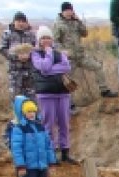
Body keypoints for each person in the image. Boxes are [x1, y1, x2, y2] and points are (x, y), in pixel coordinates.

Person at [55, 3, 117, 100]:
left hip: (81, 55)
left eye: (70, 10)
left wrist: (78, 20)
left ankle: (104, 90)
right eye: (66, 11)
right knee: (66, 80)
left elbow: (85, 33)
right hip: (69, 58)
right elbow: (55, 42)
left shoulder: (75, 22)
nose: (68, 12)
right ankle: (69, 103)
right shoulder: (58, 24)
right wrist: (63, 51)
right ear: (62, 12)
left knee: (98, 67)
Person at [9, 96, 56, 177]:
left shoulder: (41, 127)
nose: (31, 114)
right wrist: (21, 166)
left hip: (41, 166)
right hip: (28, 167)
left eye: (33, 111)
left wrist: (51, 162)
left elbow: (48, 145)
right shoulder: (19, 129)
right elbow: (17, 149)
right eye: (28, 112)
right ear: (22, 113)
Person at [31, 28, 74, 163]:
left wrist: (49, 70)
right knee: (48, 124)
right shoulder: (35, 54)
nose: (46, 40)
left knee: (64, 123)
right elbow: (43, 67)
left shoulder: (59, 53)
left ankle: (65, 152)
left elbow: (66, 67)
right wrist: (49, 54)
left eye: (48, 37)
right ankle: (50, 153)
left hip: (62, 92)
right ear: (39, 40)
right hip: (46, 93)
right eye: (43, 38)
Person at [0, 12, 37, 102]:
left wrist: (30, 55)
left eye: (23, 21)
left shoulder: (31, 34)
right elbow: (2, 49)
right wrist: (17, 56)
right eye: (18, 21)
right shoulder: (7, 34)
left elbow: (36, 49)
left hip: (30, 72)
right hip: (15, 73)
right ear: (14, 22)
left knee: (31, 99)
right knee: (17, 100)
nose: (21, 23)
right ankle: (18, 116)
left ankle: (32, 116)